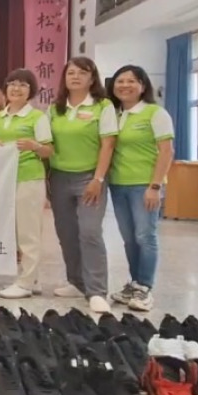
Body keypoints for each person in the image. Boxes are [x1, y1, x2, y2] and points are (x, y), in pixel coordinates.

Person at [48, 56, 117, 314]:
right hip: (59, 177)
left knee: (89, 231)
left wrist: (98, 179)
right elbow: (47, 144)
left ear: (92, 78)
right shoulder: (55, 109)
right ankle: (77, 282)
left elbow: (108, 145)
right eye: (71, 73)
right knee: (66, 233)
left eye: (82, 72)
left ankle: (97, 290)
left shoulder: (103, 106)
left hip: (89, 177)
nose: (75, 77)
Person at [107, 65, 174, 312]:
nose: (125, 85)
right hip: (118, 184)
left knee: (145, 236)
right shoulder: (114, 114)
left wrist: (155, 186)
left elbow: (166, 151)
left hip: (145, 185)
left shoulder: (155, 113)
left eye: (131, 81)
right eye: (120, 81)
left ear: (143, 86)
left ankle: (145, 286)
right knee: (129, 238)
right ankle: (134, 283)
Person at [0, 69, 54, 299]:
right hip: (4, 180)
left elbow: (49, 150)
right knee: (15, 232)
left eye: (22, 85)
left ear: (31, 90)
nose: (16, 88)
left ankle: (26, 282)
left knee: (29, 232)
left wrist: (34, 146)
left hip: (29, 178)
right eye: (12, 83)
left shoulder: (37, 117)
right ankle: (33, 278)